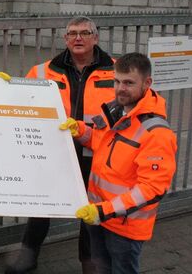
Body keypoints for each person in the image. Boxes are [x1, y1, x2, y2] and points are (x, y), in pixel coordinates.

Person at [7, 16, 115, 274]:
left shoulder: (116, 69)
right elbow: (23, 101)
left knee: (90, 214)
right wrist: (6, 87)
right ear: (65, 39)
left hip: (96, 151)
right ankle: (27, 258)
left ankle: (90, 265)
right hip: (54, 152)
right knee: (42, 207)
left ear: (95, 38)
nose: (78, 38)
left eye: (85, 33)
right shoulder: (44, 71)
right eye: (73, 33)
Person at [63, 52, 177, 274]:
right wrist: (81, 131)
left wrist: (104, 211)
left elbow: (152, 189)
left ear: (147, 83)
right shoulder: (115, 111)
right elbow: (100, 142)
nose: (120, 88)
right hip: (98, 216)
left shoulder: (156, 133)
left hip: (124, 226)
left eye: (128, 83)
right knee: (101, 268)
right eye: (117, 81)